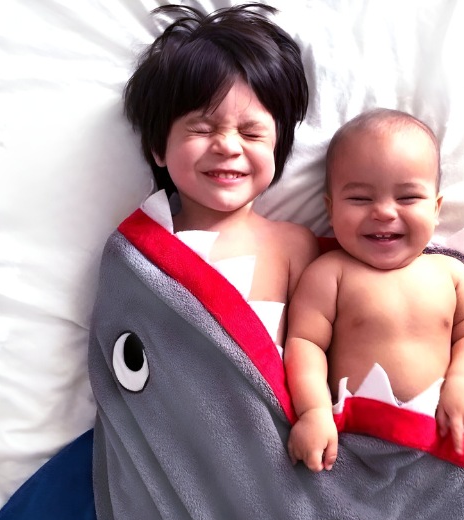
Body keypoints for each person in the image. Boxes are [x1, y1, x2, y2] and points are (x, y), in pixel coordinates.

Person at [285, 108, 464, 472]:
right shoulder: (329, 274)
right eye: (360, 198)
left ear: (435, 208)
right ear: (331, 209)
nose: (384, 212)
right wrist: (314, 411)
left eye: (407, 198)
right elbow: (305, 345)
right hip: (352, 442)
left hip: (442, 439)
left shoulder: (453, 274)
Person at [123, 3, 319, 346]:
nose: (228, 146)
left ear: (278, 148)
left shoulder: (294, 247)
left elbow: (324, 348)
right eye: (202, 129)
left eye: (251, 133)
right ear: (158, 147)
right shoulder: (137, 251)